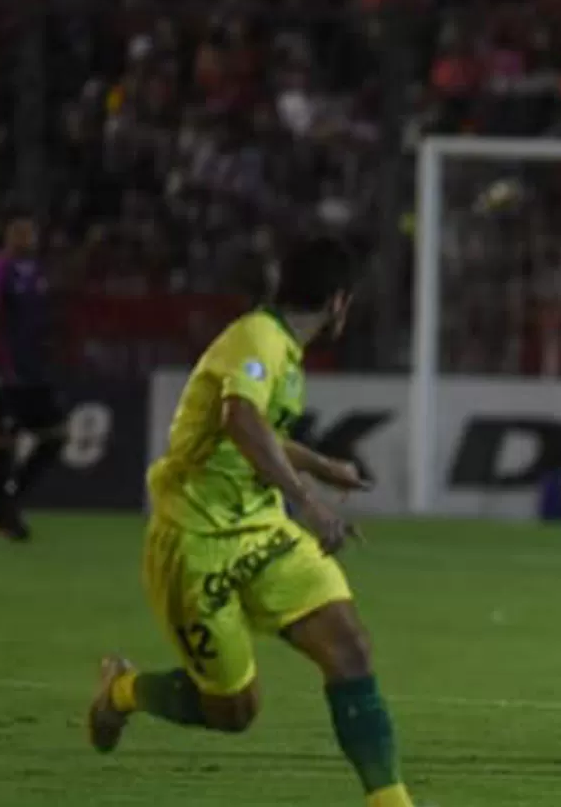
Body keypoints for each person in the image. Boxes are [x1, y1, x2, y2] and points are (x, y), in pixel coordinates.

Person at [86, 235, 417, 807]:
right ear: (340, 302)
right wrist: (308, 503)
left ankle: (390, 803)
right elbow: (239, 418)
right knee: (232, 711)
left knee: (349, 650)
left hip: (261, 529)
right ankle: (122, 691)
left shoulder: (278, 345)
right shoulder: (257, 338)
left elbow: (258, 430)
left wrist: (320, 466)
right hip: (194, 541)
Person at [0, 209, 64, 541]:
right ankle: (4, 520)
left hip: (34, 370)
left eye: (31, 230)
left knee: (55, 435)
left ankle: (11, 500)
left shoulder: (37, 272)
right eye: (20, 230)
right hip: (6, 370)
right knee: (4, 442)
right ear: (8, 235)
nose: (27, 236)